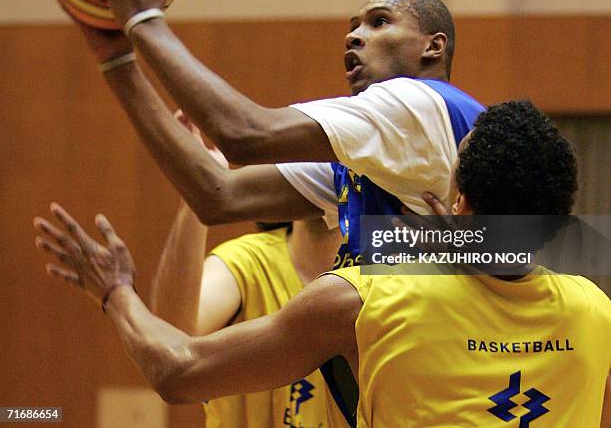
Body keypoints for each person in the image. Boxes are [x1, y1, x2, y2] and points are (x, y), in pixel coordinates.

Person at [34, 100, 611, 426]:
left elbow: (177, 371)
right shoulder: (595, 313)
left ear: (457, 202)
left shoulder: (367, 300)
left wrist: (116, 291)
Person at [68, 0, 485, 271]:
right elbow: (218, 196)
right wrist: (118, 60)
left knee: (186, 365)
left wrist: (143, 18)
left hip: (456, 350)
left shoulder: (414, 103)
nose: (354, 36)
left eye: (379, 23)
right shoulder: (380, 153)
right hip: (436, 349)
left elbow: (244, 134)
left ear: (434, 46)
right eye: (354, 26)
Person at [150, 111, 341, 427]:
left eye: (334, 160)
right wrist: (196, 199)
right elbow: (169, 339)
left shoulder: (380, 273)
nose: (322, 171)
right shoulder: (247, 263)